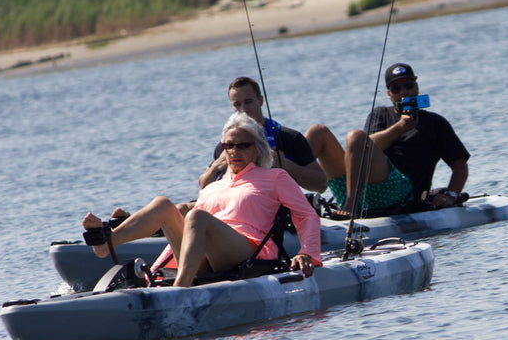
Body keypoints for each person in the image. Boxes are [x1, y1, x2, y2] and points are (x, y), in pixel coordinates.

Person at [83, 112, 322, 287]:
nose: (234, 151)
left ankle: (180, 289)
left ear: (258, 149)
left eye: (242, 145)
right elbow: (191, 227)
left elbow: (306, 215)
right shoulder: (214, 187)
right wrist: (153, 272)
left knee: (196, 216)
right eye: (228, 145)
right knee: (165, 205)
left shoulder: (275, 177)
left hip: (249, 251)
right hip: (206, 255)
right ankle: (107, 243)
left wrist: (307, 253)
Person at [305, 62, 470, 219]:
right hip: (355, 189)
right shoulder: (380, 114)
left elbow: (460, 166)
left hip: (398, 193)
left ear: (417, 87)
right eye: (396, 88)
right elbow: (366, 146)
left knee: (355, 136)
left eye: (408, 86)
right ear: (389, 94)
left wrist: (451, 195)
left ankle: (350, 208)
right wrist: (399, 128)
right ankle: (288, 199)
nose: (403, 92)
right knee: (317, 132)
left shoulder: (435, 123)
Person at [198, 76, 327, 193]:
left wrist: (288, 165)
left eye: (248, 102)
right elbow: (203, 188)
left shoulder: (289, 138)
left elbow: (321, 185)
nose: (243, 110)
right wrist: (216, 166)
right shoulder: (227, 145)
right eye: (237, 105)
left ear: (260, 101)